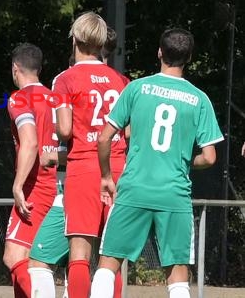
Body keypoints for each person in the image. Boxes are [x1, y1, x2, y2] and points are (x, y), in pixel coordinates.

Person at [91, 28, 224, 298]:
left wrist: (106, 176)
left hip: (133, 189)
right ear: (188, 58)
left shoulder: (137, 88)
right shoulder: (199, 99)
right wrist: (183, 161)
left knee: (108, 265)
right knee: (177, 277)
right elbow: (210, 157)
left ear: (160, 52)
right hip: (174, 195)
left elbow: (104, 139)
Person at [28, 27, 126, 298]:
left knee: (79, 254)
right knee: (111, 258)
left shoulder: (66, 78)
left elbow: (65, 129)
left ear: (75, 40)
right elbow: (129, 133)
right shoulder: (122, 80)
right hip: (118, 168)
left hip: (83, 166)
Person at [4, 43, 58, 298]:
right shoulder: (56, 97)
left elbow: (31, 141)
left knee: (13, 256)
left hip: (35, 186)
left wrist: (17, 185)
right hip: (58, 184)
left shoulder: (20, 97)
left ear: (16, 69)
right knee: (30, 258)